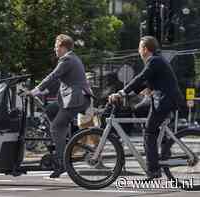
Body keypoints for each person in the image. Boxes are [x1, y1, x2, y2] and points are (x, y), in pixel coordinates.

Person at [109, 36, 183, 180]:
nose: (138, 51)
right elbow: (143, 83)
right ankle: (157, 151)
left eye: (139, 47)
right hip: (162, 100)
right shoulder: (156, 60)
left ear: (145, 49)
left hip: (164, 100)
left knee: (149, 132)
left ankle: (153, 170)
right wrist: (127, 95)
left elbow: (140, 78)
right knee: (138, 109)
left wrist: (121, 92)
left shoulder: (154, 61)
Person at [28, 34, 93, 178]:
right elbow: (61, 81)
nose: (54, 50)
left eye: (56, 47)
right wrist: (41, 91)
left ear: (63, 47)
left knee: (56, 127)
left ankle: (62, 162)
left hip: (76, 99)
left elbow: (53, 76)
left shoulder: (67, 59)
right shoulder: (73, 58)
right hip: (72, 99)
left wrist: (34, 91)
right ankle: (62, 138)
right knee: (50, 110)